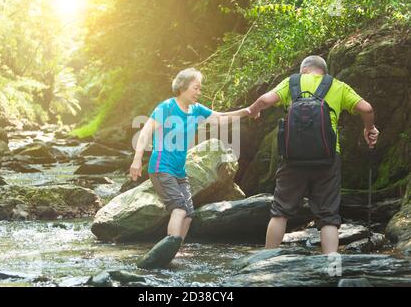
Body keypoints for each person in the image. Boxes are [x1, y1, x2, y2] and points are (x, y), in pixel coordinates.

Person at [247, 55, 380, 254]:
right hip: (328, 157)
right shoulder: (338, 86)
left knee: (280, 211)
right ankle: (331, 266)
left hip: (292, 158)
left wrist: (255, 110)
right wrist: (369, 128)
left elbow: (265, 100)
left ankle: (265, 263)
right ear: (323, 71)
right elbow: (367, 108)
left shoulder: (292, 82)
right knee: (328, 215)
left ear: (304, 70)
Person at [130, 67, 250, 268]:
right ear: (183, 87)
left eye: (199, 88)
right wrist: (137, 158)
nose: (199, 92)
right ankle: (165, 253)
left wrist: (247, 111)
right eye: (196, 88)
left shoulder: (196, 110)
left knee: (188, 214)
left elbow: (220, 118)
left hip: (179, 170)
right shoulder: (166, 107)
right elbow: (145, 132)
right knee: (178, 209)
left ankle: (174, 252)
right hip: (161, 167)